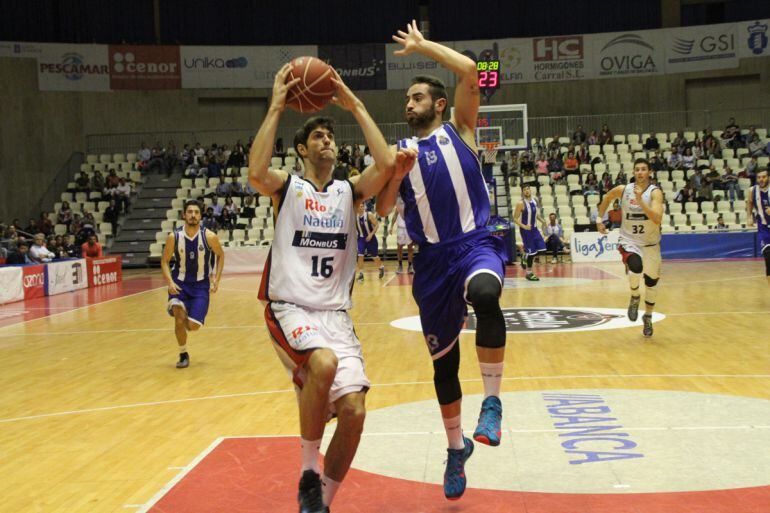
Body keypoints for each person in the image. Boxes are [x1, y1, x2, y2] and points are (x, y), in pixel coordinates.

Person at [249, 62, 410, 513]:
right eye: (318, 136)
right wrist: (277, 103)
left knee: (356, 414)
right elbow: (257, 172)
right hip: (291, 308)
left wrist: (354, 102)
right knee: (322, 362)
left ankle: (320, 503)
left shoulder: (348, 190)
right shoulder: (289, 187)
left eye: (331, 137)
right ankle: (306, 471)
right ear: (301, 148)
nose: (328, 141)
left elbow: (385, 165)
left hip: (335, 315)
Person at [374, 20, 509, 502]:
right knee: (444, 367)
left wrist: (422, 46)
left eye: (416, 97)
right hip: (432, 263)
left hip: (475, 243)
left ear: (439, 104)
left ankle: (492, 403)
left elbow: (474, 69)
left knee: (488, 295)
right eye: (407, 100)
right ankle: (456, 450)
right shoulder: (398, 154)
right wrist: (395, 176)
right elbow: (385, 209)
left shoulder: (463, 130)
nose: (408, 104)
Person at [597, 158, 664, 337]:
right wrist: (599, 219)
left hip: (650, 244)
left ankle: (648, 317)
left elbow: (657, 218)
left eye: (643, 169)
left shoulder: (655, 193)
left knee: (651, 284)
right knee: (635, 266)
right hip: (630, 241)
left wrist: (641, 201)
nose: (640, 172)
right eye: (637, 169)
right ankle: (635, 296)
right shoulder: (624, 189)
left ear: (649, 172)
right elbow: (606, 197)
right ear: (633, 172)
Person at [160, 200, 225, 369]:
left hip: (200, 286)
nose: (193, 215)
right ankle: (183, 353)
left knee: (193, 326)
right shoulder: (174, 237)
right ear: (184, 215)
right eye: (190, 212)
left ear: (200, 216)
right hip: (179, 284)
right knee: (179, 319)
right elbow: (165, 261)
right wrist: (170, 282)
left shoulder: (209, 236)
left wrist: (216, 279)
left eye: (196, 212)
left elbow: (221, 256)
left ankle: (187, 316)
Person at [514, 184, 547, 280]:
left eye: (528, 189)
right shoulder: (520, 203)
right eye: (524, 190)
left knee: (542, 249)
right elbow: (515, 219)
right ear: (522, 192)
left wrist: (542, 220)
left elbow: (536, 214)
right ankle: (529, 273)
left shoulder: (535, 201)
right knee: (532, 253)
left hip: (535, 230)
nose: (527, 191)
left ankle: (525, 255)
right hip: (526, 231)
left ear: (530, 190)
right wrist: (524, 226)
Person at [746, 168, 770, 285]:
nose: (761, 179)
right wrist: (749, 216)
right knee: (768, 256)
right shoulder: (752, 190)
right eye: (759, 177)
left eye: (764, 177)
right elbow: (750, 202)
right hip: (764, 227)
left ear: (768, 177)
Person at [355, 203, 384, 281]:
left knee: (374, 256)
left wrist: (371, 235)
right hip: (361, 239)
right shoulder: (355, 216)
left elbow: (377, 225)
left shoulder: (369, 215)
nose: (361, 208)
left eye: (362, 206)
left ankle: (381, 267)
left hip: (371, 238)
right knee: (360, 255)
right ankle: (361, 274)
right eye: (359, 206)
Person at [388, 195, 415, 274]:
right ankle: (400, 265)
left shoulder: (411, 205)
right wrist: (391, 226)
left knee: (410, 248)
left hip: (408, 228)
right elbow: (395, 215)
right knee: (399, 247)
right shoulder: (398, 206)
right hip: (400, 228)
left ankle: (410, 266)